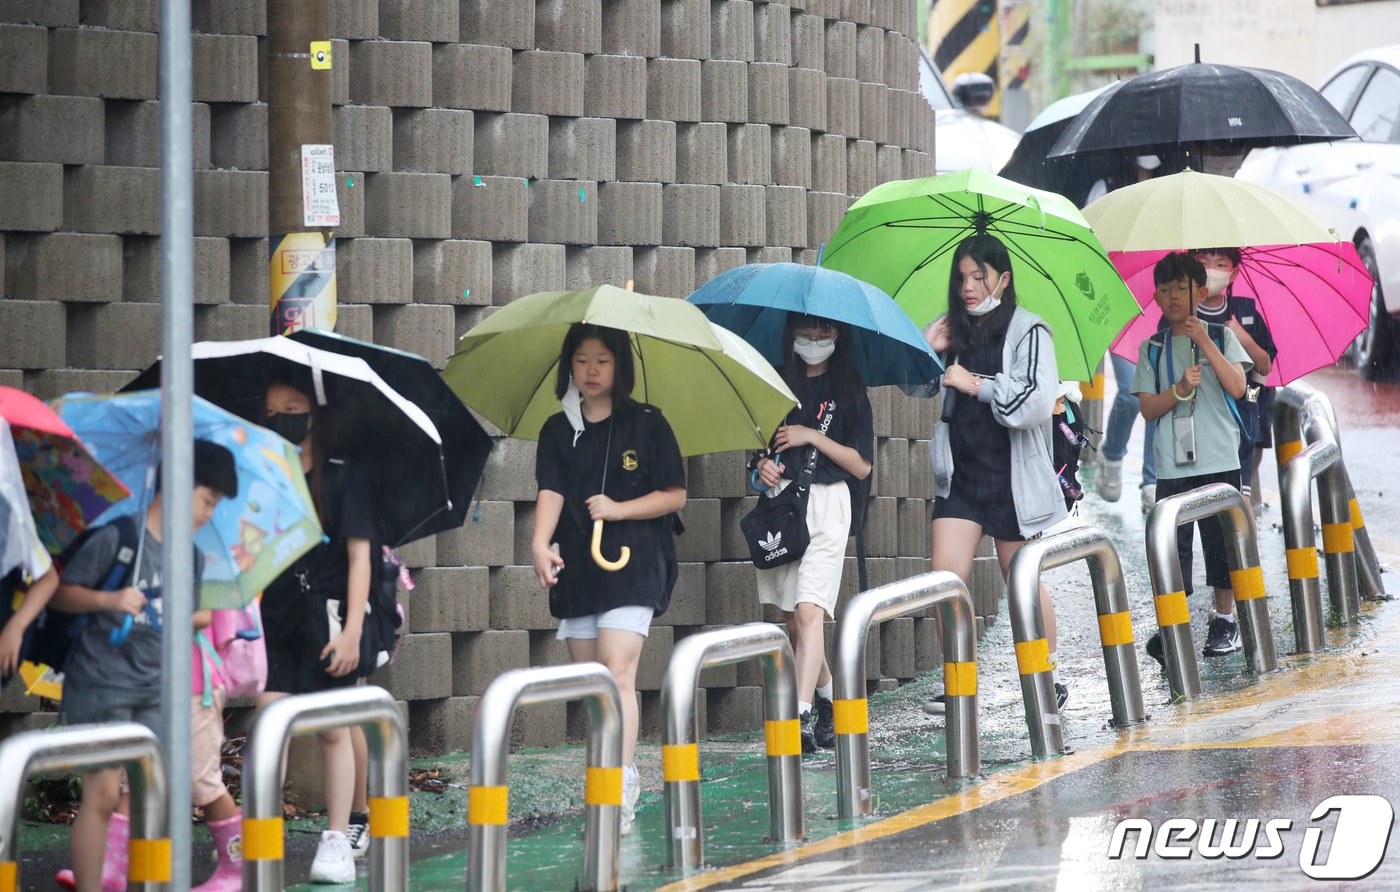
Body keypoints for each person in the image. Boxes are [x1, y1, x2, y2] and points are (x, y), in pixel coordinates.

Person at [50, 440, 238, 892]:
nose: (208, 513)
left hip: (157, 687)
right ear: (177, 484)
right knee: (101, 794)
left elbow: (182, 623)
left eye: (215, 504)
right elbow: (61, 593)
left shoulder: (190, 557)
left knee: (151, 799)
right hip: (103, 683)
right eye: (206, 499)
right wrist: (109, 600)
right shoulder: (118, 537)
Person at [532, 323, 687, 836]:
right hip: (580, 567)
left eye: (602, 360)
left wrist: (619, 509)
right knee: (592, 684)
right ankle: (613, 769)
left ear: (620, 365)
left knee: (617, 670)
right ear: (568, 366)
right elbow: (551, 490)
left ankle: (616, 784)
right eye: (581, 360)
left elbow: (674, 495)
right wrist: (539, 542)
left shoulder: (647, 423)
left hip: (637, 562)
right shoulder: (558, 429)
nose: (591, 371)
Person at [918, 233, 1070, 715]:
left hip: (1011, 478)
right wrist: (926, 349)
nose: (968, 286)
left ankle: (1045, 673)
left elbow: (1035, 403)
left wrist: (978, 384)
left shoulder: (1029, 331)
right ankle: (958, 681)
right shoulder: (950, 329)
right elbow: (913, 384)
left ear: (1003, 278)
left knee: (1020, 580)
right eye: (962, 276)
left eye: (978, 276)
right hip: (960, 475)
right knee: (944, 579)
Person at [257, 378, 375, 884]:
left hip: (328, 615)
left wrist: (351, 632)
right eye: (272, 410)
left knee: (332, 726)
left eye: (292, 408)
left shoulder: (344, 476)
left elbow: (360, 557)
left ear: (316, 413)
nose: (280, 417)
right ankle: (260, 832)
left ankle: (338, 836)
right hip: (277, 615)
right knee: (269, 722)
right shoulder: (265, 473)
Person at [748, 314, 874, 753]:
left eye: (825, 331)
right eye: (806, 332)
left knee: (809, 613)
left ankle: (797, 716)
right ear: (791, 334)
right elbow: (758, 459)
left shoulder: (850, 391)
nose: (815, 340)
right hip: (782, 507)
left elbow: (861, 465)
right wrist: (760, 470)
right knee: (793, 621)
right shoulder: (776, 385)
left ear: (840, 335)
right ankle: (827, 697)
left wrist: (810, 436)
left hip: (829, 506)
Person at [1134, 253, 1251, 661]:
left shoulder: (1220, 336)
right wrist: (1180, 389)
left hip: (1219, 458)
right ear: (1156, 297)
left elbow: (1238, 386)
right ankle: (1173, 626)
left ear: (1201, 292)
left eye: (1181, 289)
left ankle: (1224, 621)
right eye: (1164, 291)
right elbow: (1148, 408)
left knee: (1221, 545)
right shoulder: (1152, 348)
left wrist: (1203, 341)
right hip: (1172, 463)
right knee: (1174, 547)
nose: (1172, 298)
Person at [1192, 247, 1276, 506]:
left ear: (1233, 273)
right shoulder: (1183, 313)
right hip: (1200, 414)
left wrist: (1242, 336)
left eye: (1220, 265)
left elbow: (1264, 365)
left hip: (1242, 413)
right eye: (1203, 263)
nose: (1210, 271)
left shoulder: (1245, 313)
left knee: (1240, 495)